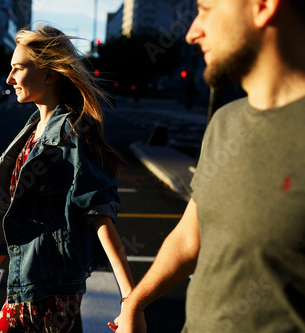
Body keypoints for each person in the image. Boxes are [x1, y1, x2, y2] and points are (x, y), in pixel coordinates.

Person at [110, 0, 305, 332]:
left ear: (263, 6)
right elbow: (190, 238)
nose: (192, 33)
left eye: (206, 9)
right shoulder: (224, 123)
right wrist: (134, 304)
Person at [0, 25, 134, 333]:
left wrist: (130, 300)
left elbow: (99, 212)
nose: (10, 79)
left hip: (49, 289)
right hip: (30, 279)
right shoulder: (34, 128)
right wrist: (1, 247)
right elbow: (26, 201)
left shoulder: (72, 133)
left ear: (49, 74)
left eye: (18, 69)